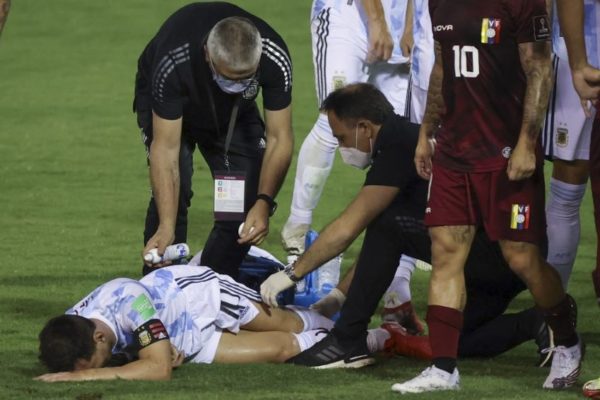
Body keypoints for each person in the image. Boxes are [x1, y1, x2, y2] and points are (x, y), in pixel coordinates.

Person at [260, 83, 547, 369]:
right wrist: (338, 297)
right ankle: (542, 319)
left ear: (365, 128)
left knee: (387, 224)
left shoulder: (398, 145)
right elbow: (379, 246)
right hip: (500, 260)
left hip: (495, 255)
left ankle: (348, 341)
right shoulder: (402, 140)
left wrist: (292, 273)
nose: (340, 147)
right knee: (457, 341)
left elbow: (349, 227)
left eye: (341, 138)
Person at [392, 0, 582, 393]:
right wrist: (428, 130)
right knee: (445, 251)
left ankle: (565, 339)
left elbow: (540, 67)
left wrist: (528, 142)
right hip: (454, 152)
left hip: (505, 155)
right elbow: (444, 63)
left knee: (522, 258)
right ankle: (444, 368)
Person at [134, 2, 293, 278]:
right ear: (207, 54)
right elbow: (166, 150)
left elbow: (280, 138)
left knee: (244, 200)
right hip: (173, 104)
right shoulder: (173, 62)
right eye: (230, 78)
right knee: (175, 187)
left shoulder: (273, 56)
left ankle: (216, 285)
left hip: (234, 112)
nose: (237, 84)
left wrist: (264, 202)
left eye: (246, 78)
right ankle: (159, 287)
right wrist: (166, 226)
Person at [35, 264, 396, 382]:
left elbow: (159, 369)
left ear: (99, 336)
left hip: (203, 296)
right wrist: (145, 356)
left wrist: (82, 376)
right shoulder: (72, 324)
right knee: (281, 350)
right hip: (186, 338)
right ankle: (378, 338)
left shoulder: (130, 301)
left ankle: (363, 319)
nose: (89, 369)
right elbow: (151, 358)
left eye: (92, 361)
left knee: (288, 325)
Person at [280, 0, 411, 259]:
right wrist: (377, 21)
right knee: (333, 122)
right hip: (347, 15)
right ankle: (297, 225)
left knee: (397, 132)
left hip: (403, 20)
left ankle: (408, 234)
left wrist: (411, 26)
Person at [541, 0, 599, 289]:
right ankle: (554, 311)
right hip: (583, 54)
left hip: (583, 55)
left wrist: (577, 64)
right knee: (567, 192)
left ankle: (554, 315)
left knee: (566, 194)